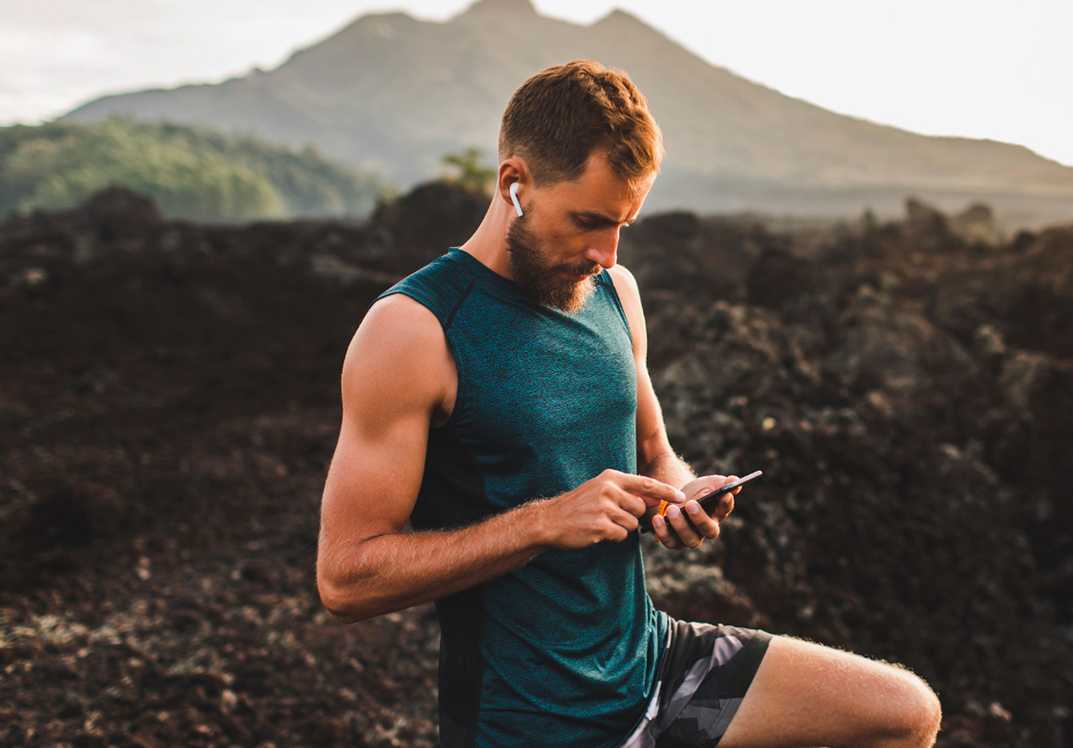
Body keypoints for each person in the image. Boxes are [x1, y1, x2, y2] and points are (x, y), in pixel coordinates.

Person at [316, 60, 941, 748]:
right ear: (513, 184)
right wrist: (541, 523)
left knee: (902, 713)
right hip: (524, 724)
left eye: (622, 224)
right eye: (587, 221)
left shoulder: (616, 291)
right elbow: (347, 578)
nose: (604, 252)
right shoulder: (414, 329)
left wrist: (681, 496)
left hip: (653, 668)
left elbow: (655, 452)